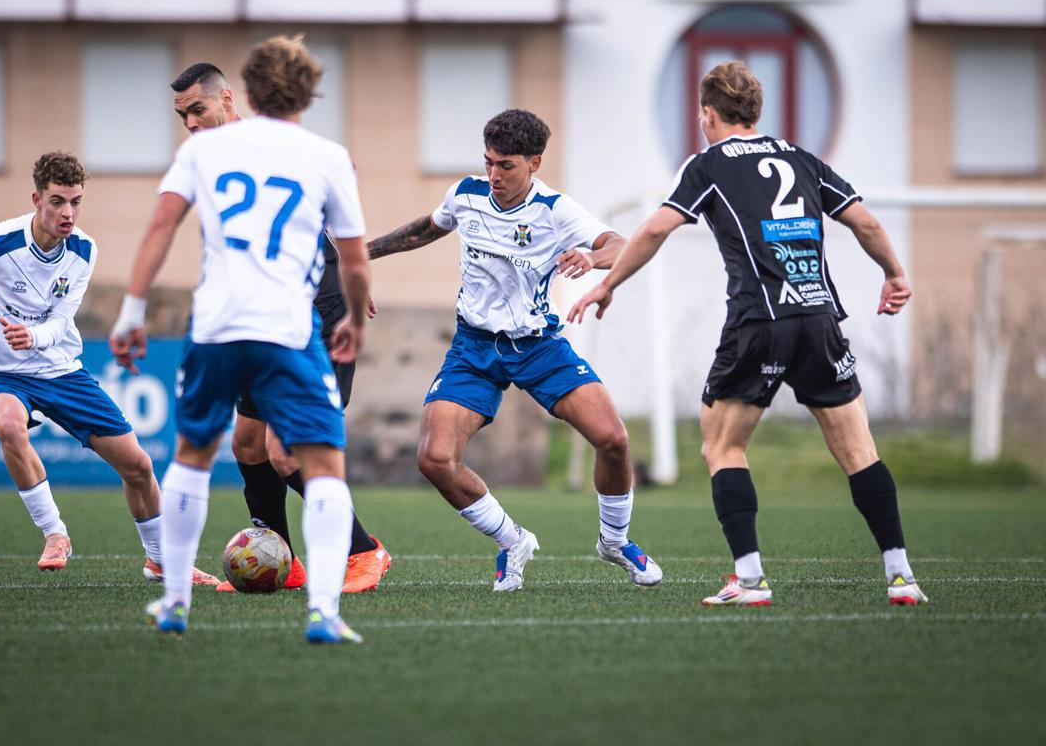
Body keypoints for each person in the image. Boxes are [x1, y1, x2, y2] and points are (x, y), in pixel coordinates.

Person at [569, 61, 928, 607]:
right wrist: (895, 274)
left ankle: (751, 579)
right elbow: (867, 223)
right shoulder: (802, 158)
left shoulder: (707, 164)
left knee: (722, 445)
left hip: (759, 322)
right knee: (860, 450)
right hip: (820, 317)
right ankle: (901, 576)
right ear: (755, 111)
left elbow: (658, 228)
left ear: (708, 114)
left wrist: (607, 283)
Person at [111, 36, 371, 643]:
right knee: (321, 465)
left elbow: (159, 227)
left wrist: (132, 311)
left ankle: (175, 601)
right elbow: (355, 259)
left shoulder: (202, 152)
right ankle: (325, 612)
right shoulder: (327, 156)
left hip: (217, 325)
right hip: (288, 328)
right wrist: (356, 319)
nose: (190, 122)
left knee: (192, 456)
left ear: (245, 95)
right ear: (309, 96)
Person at [366, 109, 663, 592]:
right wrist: (362, 254)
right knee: (435, 458)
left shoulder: (555, 209)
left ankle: (614, 541)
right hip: (473, 347)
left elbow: (620, 244)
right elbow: (425, 229)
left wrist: (590, 256)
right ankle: (513, 540)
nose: (494, 174)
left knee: (613, 439)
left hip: (538, 346)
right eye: (489, 162)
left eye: (506, 165)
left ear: (534, 163)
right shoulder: (466, 195)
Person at [0, 151, 219, 587]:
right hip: (2, 374)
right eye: (57, 201)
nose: (68, 213)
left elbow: (62, 320)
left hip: (61, 371)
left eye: (76, 202)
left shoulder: (83, 249)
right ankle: (55, 534)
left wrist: (34, 336)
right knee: (9, 424)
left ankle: (161, 561)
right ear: (37, 199)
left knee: (138, 466)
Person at [168, 63, 389, 595]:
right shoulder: (209, 157)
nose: (191, 124)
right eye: (182, 117)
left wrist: (349, 274)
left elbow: (339, 175)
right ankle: (284, 562)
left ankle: (365, 551)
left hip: (316, 313)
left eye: (198, 110)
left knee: (285, 448)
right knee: (247, 443)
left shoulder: (267, 142)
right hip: (260, 315)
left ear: (227, 99)